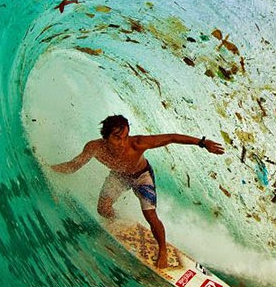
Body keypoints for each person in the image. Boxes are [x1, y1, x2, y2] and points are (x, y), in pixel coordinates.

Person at [50, 115, 224, 268]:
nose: (122, 143)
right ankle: (119, 221)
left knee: (150, 216)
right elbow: (73, 166)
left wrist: (202, 143)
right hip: (119, 176)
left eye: (125, 137)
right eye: (117, 138)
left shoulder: (137, 143)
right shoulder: (95, 147)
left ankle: (162, 249)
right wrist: (48, 167)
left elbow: (171, 138)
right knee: (103, 209)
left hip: (142, 177)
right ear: (105, 136)